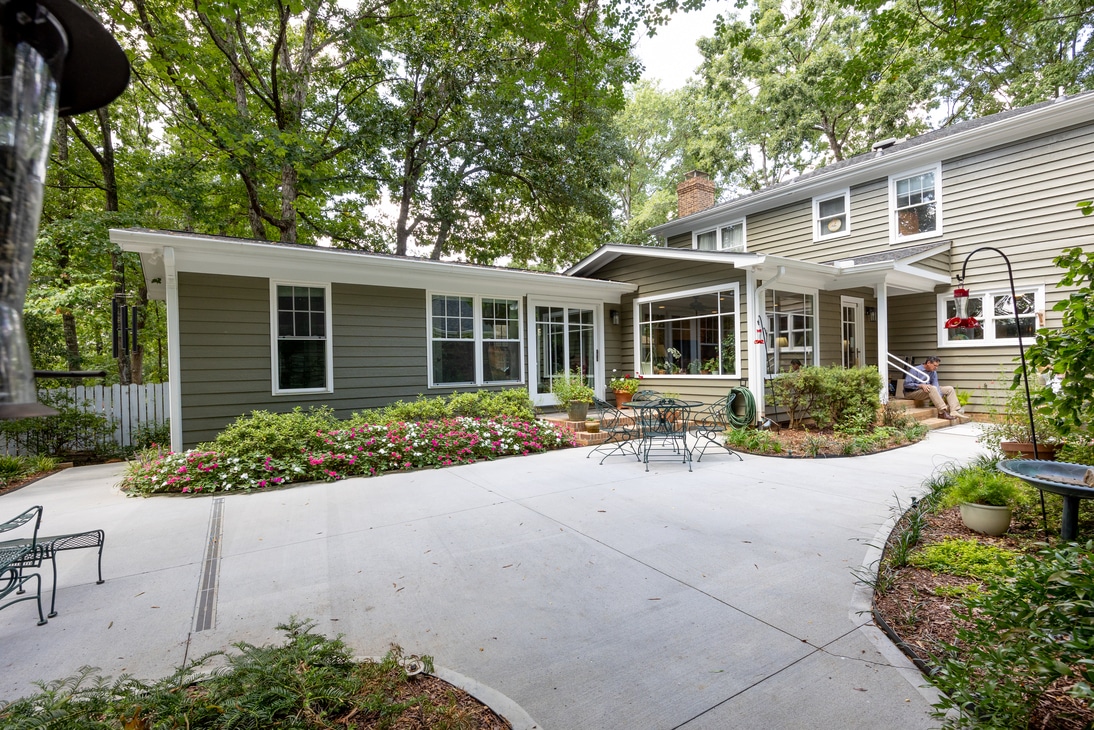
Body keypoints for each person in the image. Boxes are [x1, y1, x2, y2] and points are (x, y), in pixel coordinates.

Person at [903, 356, 964, 421]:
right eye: (935, 365)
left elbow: (936, 384)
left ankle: (954, 411)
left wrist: (939, 397)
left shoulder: (933, 372)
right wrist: (920, 385)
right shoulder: (915, 370)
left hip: (926, 391)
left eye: (937, 366)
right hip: (911, 392)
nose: (936, 368)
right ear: (928, 363)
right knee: (932, 388)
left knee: (949, 389)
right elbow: (907, 384)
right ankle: (942, 412)